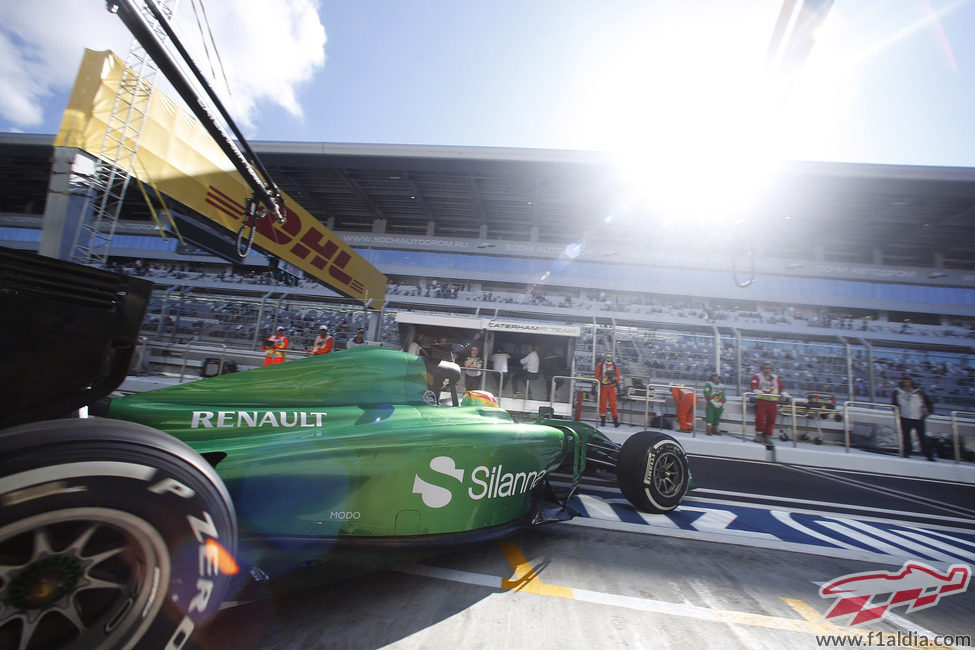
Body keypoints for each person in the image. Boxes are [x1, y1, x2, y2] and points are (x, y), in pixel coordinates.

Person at [891, 376, 935, 460]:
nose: (907, 384)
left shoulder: (918, 391)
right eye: (905, 382)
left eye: (908, 382)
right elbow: (894, 404)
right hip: (905, 417)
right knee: (906, 436)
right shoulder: (897, 391)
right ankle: (906, 452)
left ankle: (928, 455)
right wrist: (896, 412)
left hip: (918, 417)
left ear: (911, 383)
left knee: (922, 436)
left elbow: (928, 402)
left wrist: (929, 411)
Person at [750, 362, 788, 444]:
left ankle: (767, 435)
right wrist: (755, 390)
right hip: (761, 400)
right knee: (760, 419)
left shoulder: (775, 378)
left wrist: (783, 393)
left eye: (768, 368)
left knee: (771, 419)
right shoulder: (757, 376)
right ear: (762, 369)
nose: (767, 370)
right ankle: (759, 434)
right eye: (765, 368)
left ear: (771, 369)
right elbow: (753, 385)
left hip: (773, 401)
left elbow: (781, 387)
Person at [594, 353, 622, 427]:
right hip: (603, 387)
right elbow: (596, 375)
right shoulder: (600, 366)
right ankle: (603, 421)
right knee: (602, 404)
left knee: (613, 404)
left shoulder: (615, 367)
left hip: (612, 387)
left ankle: (615, 421)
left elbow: (617, 377)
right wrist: (593, 386)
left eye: (610, 357)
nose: (608, 358)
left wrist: (618, 387)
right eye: (607, 357)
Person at [703, 372, 726, 436]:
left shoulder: (722, 386)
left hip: (719, 404)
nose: (715, 378)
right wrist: (713, 402)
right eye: (713, 376)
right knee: (710, 417)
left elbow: (724, 395)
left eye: (716, 376)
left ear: (718, 377)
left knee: (717, 417)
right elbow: (706, 393)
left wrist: (721, 403)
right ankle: (708, 430)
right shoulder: (708, 384)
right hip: (711, 404)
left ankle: (715, 430)